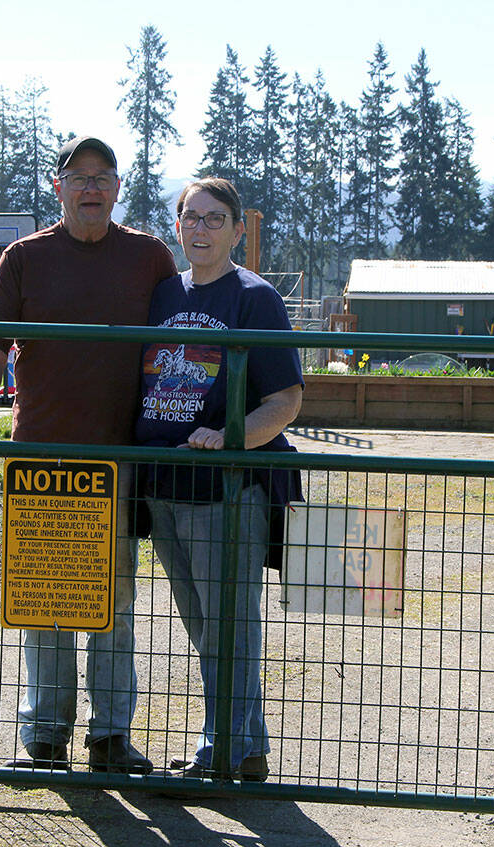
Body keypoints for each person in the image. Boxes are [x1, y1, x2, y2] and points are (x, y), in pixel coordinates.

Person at [0, 136, 177, 774]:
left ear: (119, 188)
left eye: (104, 176)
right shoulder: (24, 258)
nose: (92, 186)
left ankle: (110, 736)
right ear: (59, 187)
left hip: (119, 459)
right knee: (44, 596)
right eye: (79, 176)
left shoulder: (149, 257)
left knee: (114, 594)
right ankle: (44, 736)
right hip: (41, 455)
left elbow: (183, 342)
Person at [135, 178, 303, 782]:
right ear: (176, 226)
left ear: (237, 229)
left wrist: (231, 436)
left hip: (227, 492)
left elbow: (283, 401)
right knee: (206, 625)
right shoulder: (159, 296)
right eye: (190, 218)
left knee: (228, 624)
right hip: (165, 485)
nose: (200, 229)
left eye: (214, 218)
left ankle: (222, 750)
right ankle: (243, 749)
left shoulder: (254, 299)